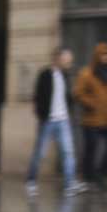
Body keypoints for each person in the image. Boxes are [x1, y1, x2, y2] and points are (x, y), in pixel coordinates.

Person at [27, 45, 88, 197]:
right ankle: (31, 181)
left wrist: (73, 102)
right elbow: (37, 97)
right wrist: (42, 115)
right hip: (48, 121)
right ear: (58, 58)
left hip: (63, 121)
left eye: (70, 61)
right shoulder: (45, 75)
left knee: (68, 152)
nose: (69, 63)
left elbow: (67, 98)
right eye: (67, 60)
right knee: (40, 153)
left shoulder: (65, 76)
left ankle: (69, 185)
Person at [72, 42, 107, 188]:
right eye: (103, 54)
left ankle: (102, 173)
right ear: (97, 56)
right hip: (92, 119)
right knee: (91, 148)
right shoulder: (86, 73)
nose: (106, 57)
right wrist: (91, 103)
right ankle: (88, 176)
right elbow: (78, 93)